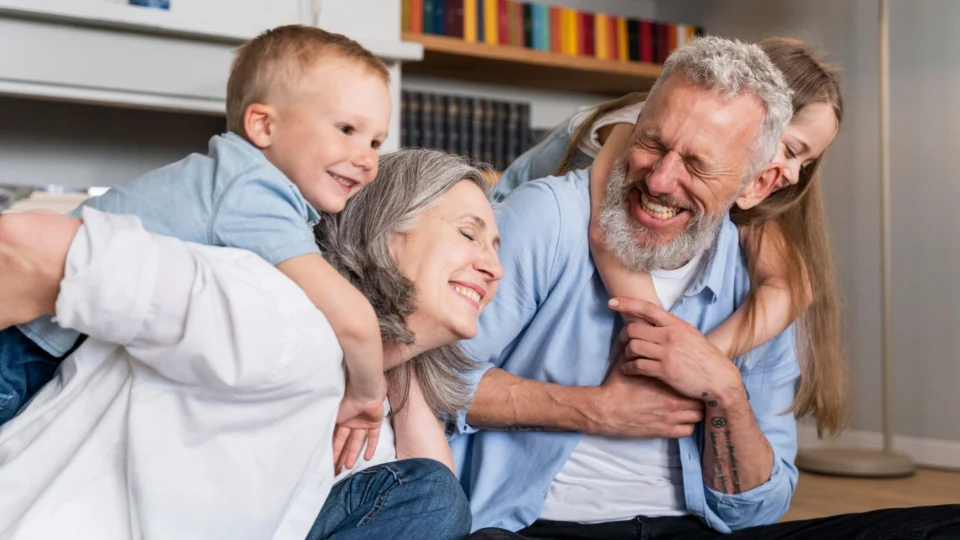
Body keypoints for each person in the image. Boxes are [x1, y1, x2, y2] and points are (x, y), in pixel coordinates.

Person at [452, 37, 960, 539]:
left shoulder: (762, 270)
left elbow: (758, 508)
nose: (790, 170)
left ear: (755, 180)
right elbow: (431, 379)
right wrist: (600, 406)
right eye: (654, 145)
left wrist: (719, 381)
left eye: (802, 159)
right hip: (541, 524)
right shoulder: (559, 208)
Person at [0, 148, 501, 539]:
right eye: (468, 235)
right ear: (388, 233)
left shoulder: (366, 404)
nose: (493, 266)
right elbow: (24, 246)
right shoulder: (267, 307)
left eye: (496, 249)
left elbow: (431, 502)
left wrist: (396, 353)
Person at [0, 26, 391, 450]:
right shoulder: (254, 193)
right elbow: (352, 320)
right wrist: (368, 396)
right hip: (23, 345)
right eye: (346, 129)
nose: (367, 159)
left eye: (376, 142)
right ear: (263, 125)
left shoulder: (230, 179)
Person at [498, 37, 848, 437]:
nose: (793, 173)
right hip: (497, 233)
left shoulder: (742, 189)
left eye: (806, 162)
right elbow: (606, 237)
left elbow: (793, 287)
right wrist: (661, 358)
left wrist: (703, 358)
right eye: (790, 149)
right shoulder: (640, 127)